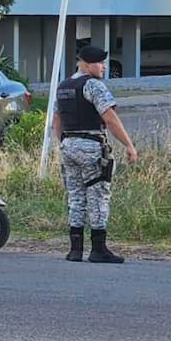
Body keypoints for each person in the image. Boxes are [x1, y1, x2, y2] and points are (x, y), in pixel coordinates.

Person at [52, 45, 137, 264]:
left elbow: (56, 121)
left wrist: (64, 143)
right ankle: (98, 249)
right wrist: (129, 145)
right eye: (100, 63)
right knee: (98, 195)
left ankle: (75, 250)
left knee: (75, 196)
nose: (104, 67)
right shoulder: (93, 85)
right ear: (87, 65)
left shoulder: (63, 86)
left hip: (68, 145)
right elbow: (109, 118)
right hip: (91, 145)